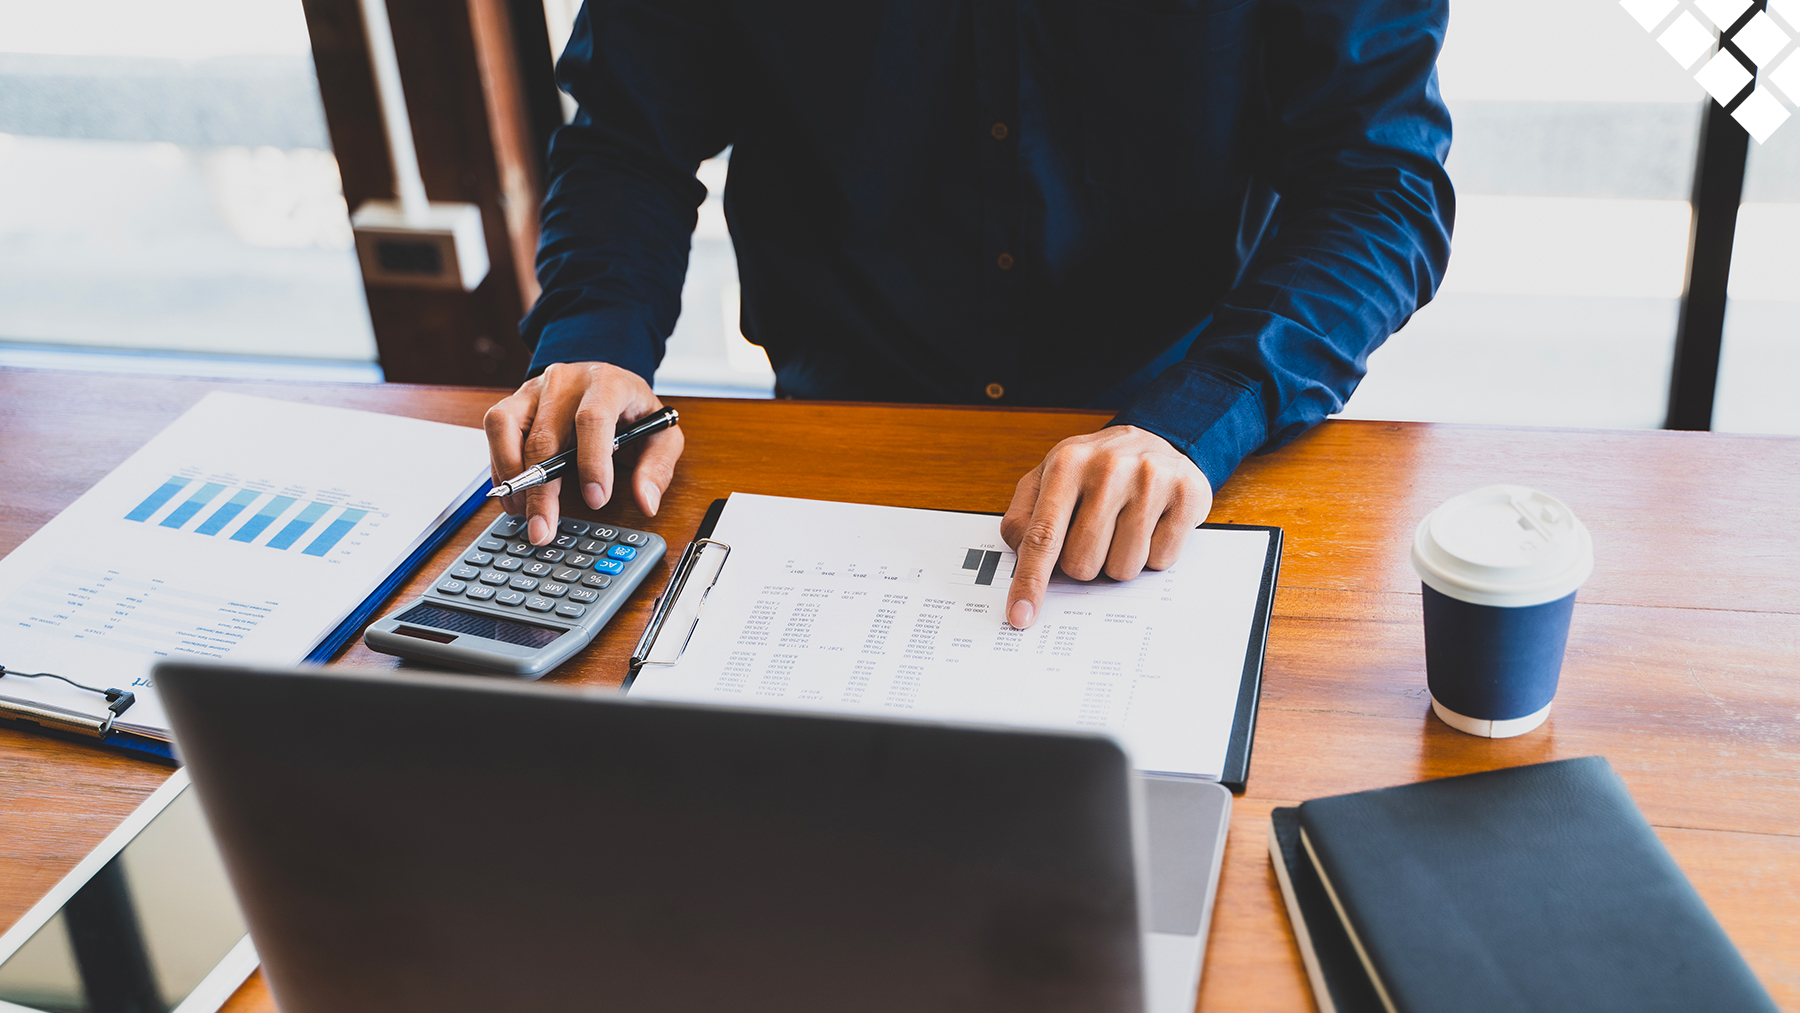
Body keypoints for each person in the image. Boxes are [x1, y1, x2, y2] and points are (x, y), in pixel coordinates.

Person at [484, 0, 1453, 630]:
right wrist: (596, 342)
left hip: (1186, 442)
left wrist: (1202, 412)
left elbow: (1380, 186)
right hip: (846, 431)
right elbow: (626, 139)